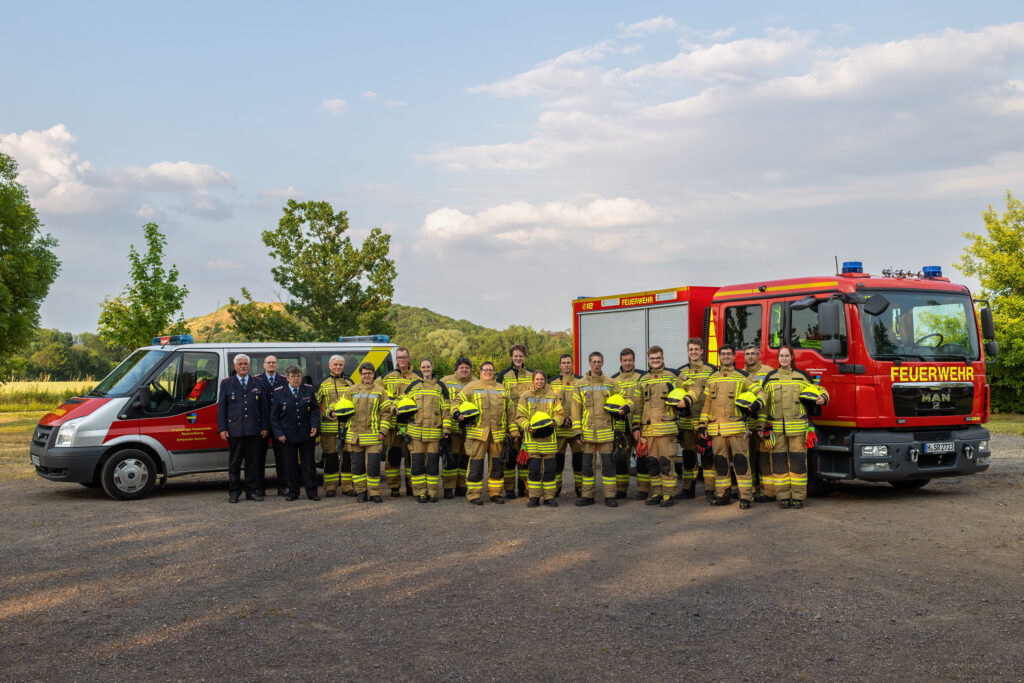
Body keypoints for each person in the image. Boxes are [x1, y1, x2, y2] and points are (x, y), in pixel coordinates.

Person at [697, 344, 766, 509]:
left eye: (729, 354)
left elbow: (762, 393)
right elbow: (706, 405)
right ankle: (723, 495)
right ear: (719, 357)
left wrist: (755, 405)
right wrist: (702, 425)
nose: (726, 357)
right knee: (720, 464)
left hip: (737, 430)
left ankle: (745, 497)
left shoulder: (743, 377)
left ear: (734, 357)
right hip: (717, 430)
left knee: (742, 463)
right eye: (723, 354)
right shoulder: (712, 378)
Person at [759, 345, 829, 508]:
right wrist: (761, 427)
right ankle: (783, 497)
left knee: (798, 464)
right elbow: (764, 405)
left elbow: (820, 390)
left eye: (786, 356)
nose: (783, 359)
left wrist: (823, 398)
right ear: (778, 359)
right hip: (777, 430)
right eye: (781, 356)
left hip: (797, 429)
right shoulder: (771, 377)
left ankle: (797, 497)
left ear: (792, 358)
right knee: (779, 464)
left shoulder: (801, 377)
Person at [632, 346, 692, 507]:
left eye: (658, 358)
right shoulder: (643, 379)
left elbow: (694, 387)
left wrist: (687, 400)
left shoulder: (673, 375)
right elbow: (638, 406)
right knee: (652, 463)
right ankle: (657, 492)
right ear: (649, 361)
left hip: (666, 429)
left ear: (663, 359)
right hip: (648, 430)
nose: (656, 361)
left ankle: (668, 495)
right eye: (653, 359)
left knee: (666, 463)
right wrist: (636, 427)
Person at [458, 361, 514, 505]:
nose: (488, 372)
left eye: (491, 370)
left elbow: (511, 412)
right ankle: (473, 495)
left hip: (497, 434)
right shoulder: (472, 387)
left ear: (494, 372)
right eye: (485, 370)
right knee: (476, 465)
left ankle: (495, 493)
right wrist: (457, 413)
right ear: (481, 371)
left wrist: (513, 431)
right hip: (478, 434)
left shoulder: (501, 389)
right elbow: (457, 402)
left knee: (496, 466)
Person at [217, 354, 270, 503]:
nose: (243, 366)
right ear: (235, 367)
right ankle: (234, 492)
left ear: (249, 365)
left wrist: (265, 426)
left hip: (254, 430)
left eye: (245, 363)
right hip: (235, 430)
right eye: (240, 364)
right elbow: (222, 407)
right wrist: (222, 428)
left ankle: (251, 491)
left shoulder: (258, 382)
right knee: (234, 464)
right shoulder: (227, 383)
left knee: (252, 464)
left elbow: (264, 407)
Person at [573, 352, 622, 507]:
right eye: (593, 362)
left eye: (599, 361)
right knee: (587, 466)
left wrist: (626, 407)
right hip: (587, 433)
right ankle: (587, 496)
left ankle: (610, 496)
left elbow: (624, 399)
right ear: (589, 363)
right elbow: (575, 410)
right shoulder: (580, 384)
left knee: (608, 466)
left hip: (606, 432)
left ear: (603, 363)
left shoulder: (610, 382)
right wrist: (577, 432)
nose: (596, 364)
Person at [341, 362, 393, 503]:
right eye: (364, 373)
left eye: (369, 373)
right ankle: (361, 492)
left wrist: (383, 431)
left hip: (374, 435)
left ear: (373, 374)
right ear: (361, 375)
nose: (367, 376)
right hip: (355, 436)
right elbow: (340, 404)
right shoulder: (352, 390)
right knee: (357, 467)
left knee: (373, 466)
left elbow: (386, 413)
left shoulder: (380, 391)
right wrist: (332, 411)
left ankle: (374, 493)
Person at [515, 370, 566, 507]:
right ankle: (534, 497)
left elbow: (559, 414)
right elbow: (520, 416)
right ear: (533, 380)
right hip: (532, 441)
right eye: (537, 379)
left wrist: (555, 422)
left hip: (549, 441)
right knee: (534, 471)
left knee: (549, 471)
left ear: (545, 380)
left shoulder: (552, 396)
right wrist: (527, 426)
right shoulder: (525, 396)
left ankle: (549, 497)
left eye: (542, 379)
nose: (539, 382)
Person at [270, 365, 321, 501]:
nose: (296, 379)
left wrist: (315, 425)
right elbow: (274, 416)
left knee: (309, 465)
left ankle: (312, 492)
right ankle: (293, 492)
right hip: (287, 435)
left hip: (306, 434)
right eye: (293, 376)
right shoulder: (279, 392)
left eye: (298, 376)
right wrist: (279, 433)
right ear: (287, 378)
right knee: (290, 465)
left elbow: (315, 411)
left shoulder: (308, 390)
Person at [676, 338, 717, 500]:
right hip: (687, 422)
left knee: (707, 457)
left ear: (702, 351)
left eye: (696, 349)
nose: (694, 352)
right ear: (687, 351)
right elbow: (676, 395)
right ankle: (687, 489)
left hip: (705, 422)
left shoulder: (712, 370)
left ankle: (709, 490)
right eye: (691, 349)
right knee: (688, 457)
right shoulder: (680, 372)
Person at [405, 359, 451, 503]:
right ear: (420, 368)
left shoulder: (440, 386)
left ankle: (432, 493)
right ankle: (420, 493)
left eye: (428, 366)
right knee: (417, 464)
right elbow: (402, 402)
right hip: (416, 433)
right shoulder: (413, 386)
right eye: (423, 367)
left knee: (432, 465)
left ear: (432, 367)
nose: (426, 369)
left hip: (434, 433)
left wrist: (446, 429)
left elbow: (446, 410)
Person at [496, 344, 533, 498]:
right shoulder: (503, 375)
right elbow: (498, 398)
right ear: (511, 356)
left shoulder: (531, 374)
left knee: (524, 457)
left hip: (526, 421)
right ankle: (510, 489)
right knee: (510, 458)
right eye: (515, 355)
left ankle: (524, 488)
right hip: (510, 422)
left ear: (524, 357)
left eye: (521, 355)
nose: (518, 358)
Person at [382, 347, 418, 496]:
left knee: (411, 455)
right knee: (393, 455)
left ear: (409, 358)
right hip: (394, 425)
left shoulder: (417, 377)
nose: (402, 360)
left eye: (404, 357)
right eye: (399, 358)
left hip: (409, 424)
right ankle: (394, 487)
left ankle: (411, 485)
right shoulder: (386, 377)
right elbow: (378, 394)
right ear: (396, 359)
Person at [316, 355, 354, 497]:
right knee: (330, 459)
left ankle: (347, 486)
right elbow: (315, 404)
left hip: (347, 428)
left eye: (340, 365)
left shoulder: (350, 383)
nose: (338, 367)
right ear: (330, 366)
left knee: (347, 458)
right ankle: (330, 487)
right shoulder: (323, 384)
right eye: (335, 365)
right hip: (329, 429)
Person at [742, 343, 775, 502]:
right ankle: (752, 489)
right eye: (747, 354)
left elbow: (769, 399)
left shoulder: (768, 372)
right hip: (746, 424)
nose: (750, 356)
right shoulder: (740, 373)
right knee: (748, 459)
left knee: (764, 458)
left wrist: (764, 422)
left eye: (753, 353)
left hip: (764, 420)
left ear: (758, 355)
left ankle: (768, 491)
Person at [611, 348, 644, 499]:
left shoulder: (642, 377)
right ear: (620, 361)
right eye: (625, 360)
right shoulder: (613, 380)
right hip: (621, 427)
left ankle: (643, 489)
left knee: (642, 457)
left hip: (639, 424)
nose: (627, 363)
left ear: (634, 360)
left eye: (630, 360)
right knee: (621, 459)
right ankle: (621, 489)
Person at [255, 355, 289, 496]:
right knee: (259, 458)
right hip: (262, 425)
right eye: (268, 362)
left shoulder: (283, 380)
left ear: (277, 365)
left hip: (279, 425)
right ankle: (259, 489)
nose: (271, 365)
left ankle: (283, 487)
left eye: (273, 363)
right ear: (264, 365)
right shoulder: (256, 380)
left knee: (282, 458)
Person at [440, 357, 475, 498]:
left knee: (466, 459)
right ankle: (448, 488)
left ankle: (462, 486)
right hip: (452, 428)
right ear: (456, 369)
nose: (464, 370)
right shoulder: (445, 382)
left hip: (469, 429)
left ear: (470, 370)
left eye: (467, 367)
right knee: (451, 459)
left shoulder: (476, 383)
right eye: (461, 367)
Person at [549, 354, 582, 496]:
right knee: (558, 461)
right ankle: (556, 488)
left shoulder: (581, 382)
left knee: (579, 460)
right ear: (559, 365)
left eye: (569, 362)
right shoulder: (552, 383)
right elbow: (549, 406)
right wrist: (562, 420)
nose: (566, 365)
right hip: (559, 429)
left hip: (576, 429)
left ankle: (580, 488)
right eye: (564, 363)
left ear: (573, 364)